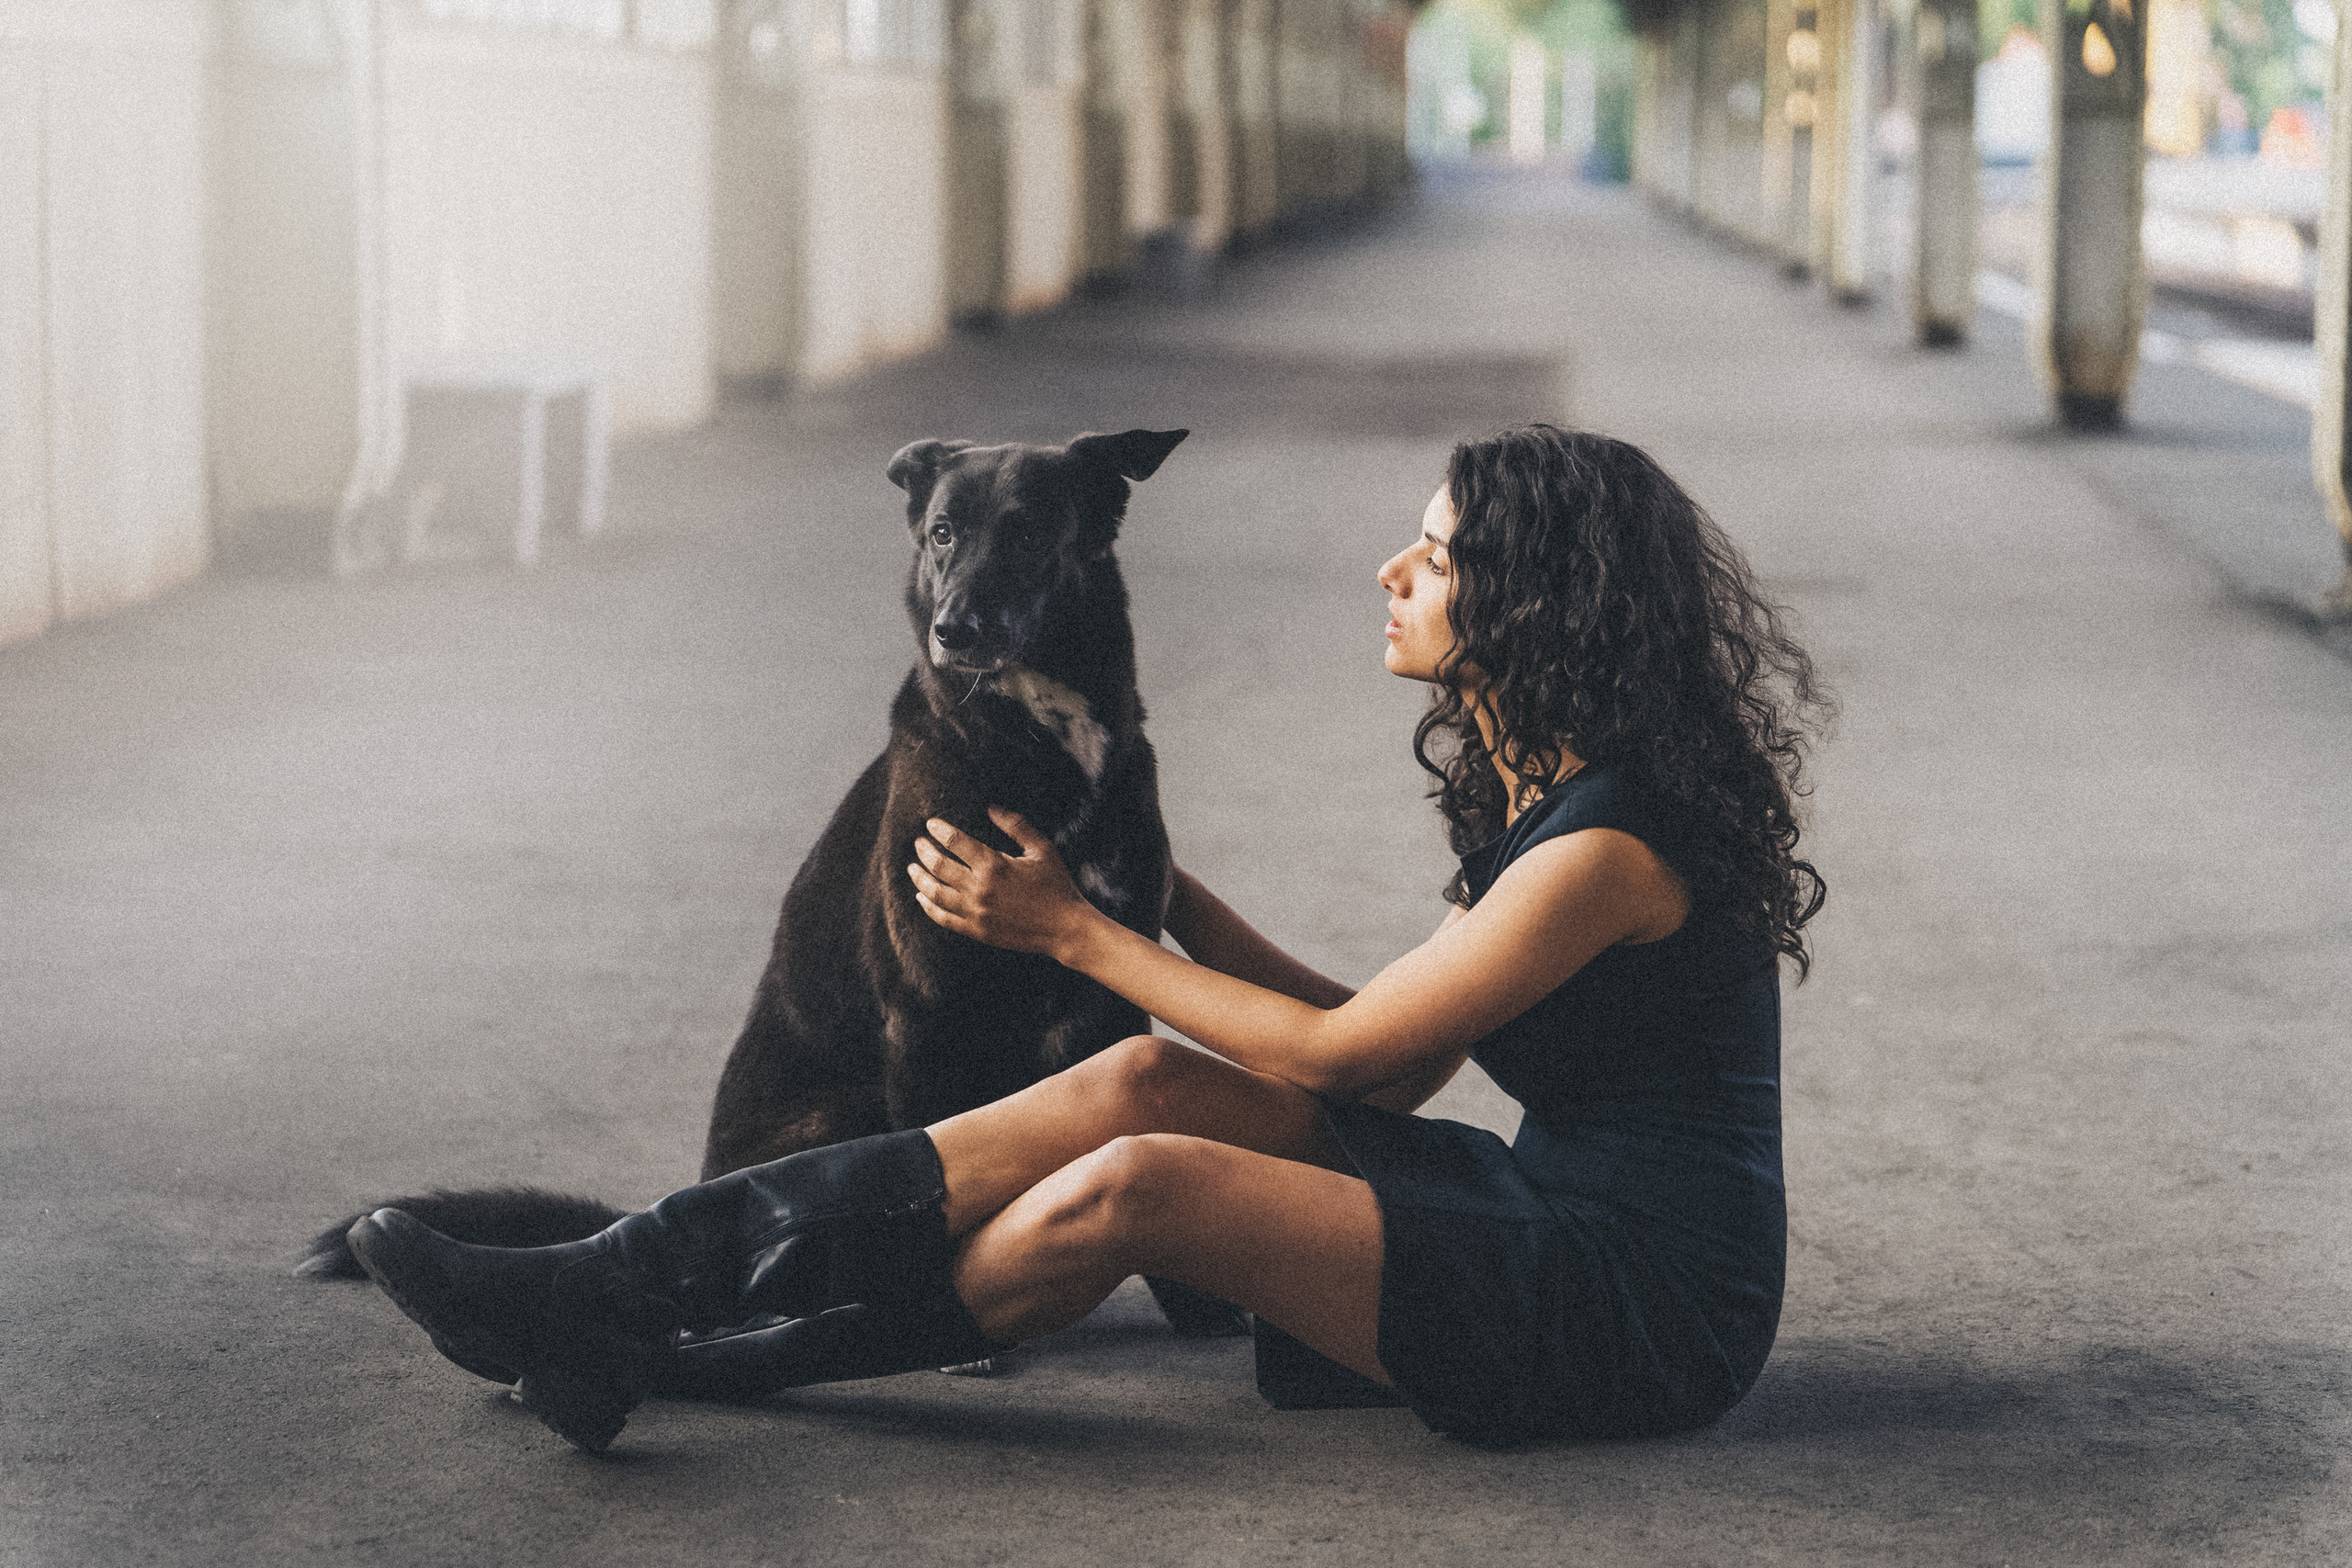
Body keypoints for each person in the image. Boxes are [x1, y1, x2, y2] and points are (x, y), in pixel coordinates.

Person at [346, 423, 1830, 1454]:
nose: (1391, 571)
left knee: (1136, 1183)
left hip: (1636, 1303)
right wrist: (1161, 891)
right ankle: (620, 1280)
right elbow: (1398, 1049)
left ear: (1532, 600)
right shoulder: (1547, 787)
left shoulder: (1610, 846)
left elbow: (1342, 1054)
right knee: (1133, 1091)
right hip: (1544, 1209)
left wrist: (1075, 932)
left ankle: (647, 1343)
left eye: (1433, 557)